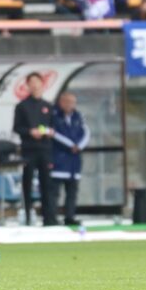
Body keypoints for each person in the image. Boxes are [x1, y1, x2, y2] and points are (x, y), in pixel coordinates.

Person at [13, 72, 56, 226]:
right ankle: (28, 217)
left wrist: (49, 132)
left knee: (47, 184)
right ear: (28, 85)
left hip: (45, 149)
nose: (35, 85)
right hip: (29, 149)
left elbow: (53, 126)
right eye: (31, 82)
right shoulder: (21, 106)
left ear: (42, 84)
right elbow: (17, 128)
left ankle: (49, 218)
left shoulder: (48, 106)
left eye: (37, 82)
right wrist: (30, 132)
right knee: (27, 183)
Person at [51, 92, 89, 227]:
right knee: (55, 192)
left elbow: (86, 133)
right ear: (61, 102)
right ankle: (52, 217)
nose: (69, 105)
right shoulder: (54, 116)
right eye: (67, 101)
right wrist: (70, 145)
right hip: (59, 159)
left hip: (75, 160)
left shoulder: (78, 116)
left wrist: (79, 146)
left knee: (72, 192)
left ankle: (70, 216)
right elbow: (54, 134)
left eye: (72, 102)